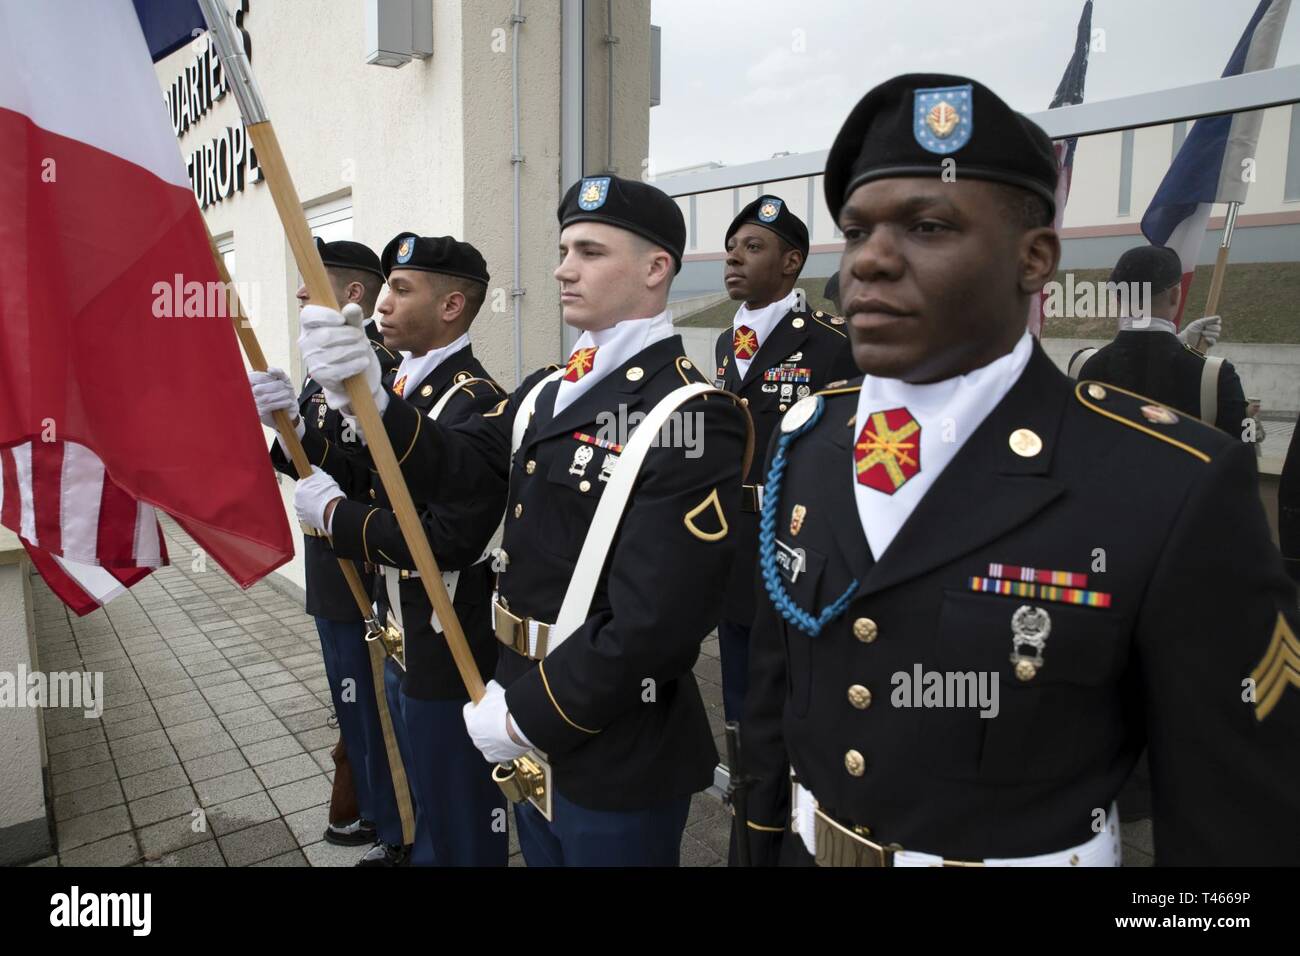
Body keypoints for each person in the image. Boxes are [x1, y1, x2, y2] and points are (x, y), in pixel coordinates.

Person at [742, 73, 1300, 867]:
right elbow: (772, 703)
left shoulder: (1169, 484)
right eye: (858, 230)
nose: (870, 261)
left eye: (927, 226)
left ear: (1034, 259)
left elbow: (1240, 825)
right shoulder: (809, 440)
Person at [298, 174, 751, 866]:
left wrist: (527, 714)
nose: (564, 268)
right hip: (519, 697)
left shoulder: (692, 413)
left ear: (657, 268)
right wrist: (372, 402)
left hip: (612, 744)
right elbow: (462, 470)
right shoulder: (548, 388)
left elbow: (655, 622)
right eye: (565, 248)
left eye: (591, 252)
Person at [293, 233, 508, 866]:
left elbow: (445, 536)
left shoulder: (475, 398)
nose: (382, 303)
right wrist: (299, 434)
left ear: (451, 307)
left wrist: (337, 517)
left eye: (402, 289)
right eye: (385, 285)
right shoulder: (407, 385)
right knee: (421, 786)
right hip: (401, 626)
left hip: (447, 634)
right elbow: (367, 478)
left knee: (458, 804)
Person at [248, 237, 406, 856]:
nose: (297, 293)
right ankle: (369, 807)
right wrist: (287, 429)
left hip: (360, 563)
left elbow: (384, 472)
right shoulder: (320, 369)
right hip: (326, 561)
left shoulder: (376, 371)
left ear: (354, 294)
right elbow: (311, 462)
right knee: (351, 705)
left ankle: (393, 825)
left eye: (311, 284)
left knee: (372, 708)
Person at [712, 195, 858, 724]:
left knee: (794, 687)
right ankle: (746, 790)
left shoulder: (832, 344)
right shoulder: (727, 343)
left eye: (752, 247)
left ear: (791, 262)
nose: (733, 258)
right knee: (738, 686)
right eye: (731, 249)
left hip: (798, 539)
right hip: (734, 538)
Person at [1067, 245, 1247, 437]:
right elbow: (1245, 447)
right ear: (1175, 295)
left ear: (1118, 298)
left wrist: (1180, 346)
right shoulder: (1217, 377)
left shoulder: (1082, 366)